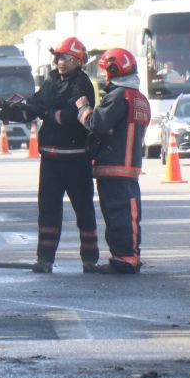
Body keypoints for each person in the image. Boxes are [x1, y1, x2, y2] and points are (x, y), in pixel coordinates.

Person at [0, 36, 98, 273]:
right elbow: (35, 104)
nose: (61, 63)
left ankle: (90, 259)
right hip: (51, 160)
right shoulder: (51, 81)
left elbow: (72, 116)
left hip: (76, 159)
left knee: (84, 211)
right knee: (48, 211)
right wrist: (12, 112)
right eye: (59, 58)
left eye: (67, 58)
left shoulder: (82, 85)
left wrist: (47, 113)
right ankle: (45, 259)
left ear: (79, 61)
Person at [76, 47, 150, 274]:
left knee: (118, 214)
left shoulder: (119, 96)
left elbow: (98, 124)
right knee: (127, 214)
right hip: (129, 167)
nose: (103, 77)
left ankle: (125, 259)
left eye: (105, 71)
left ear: (113, 71)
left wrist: (83, 109)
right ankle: (126, 256)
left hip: (114, 166)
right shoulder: (140, 98)